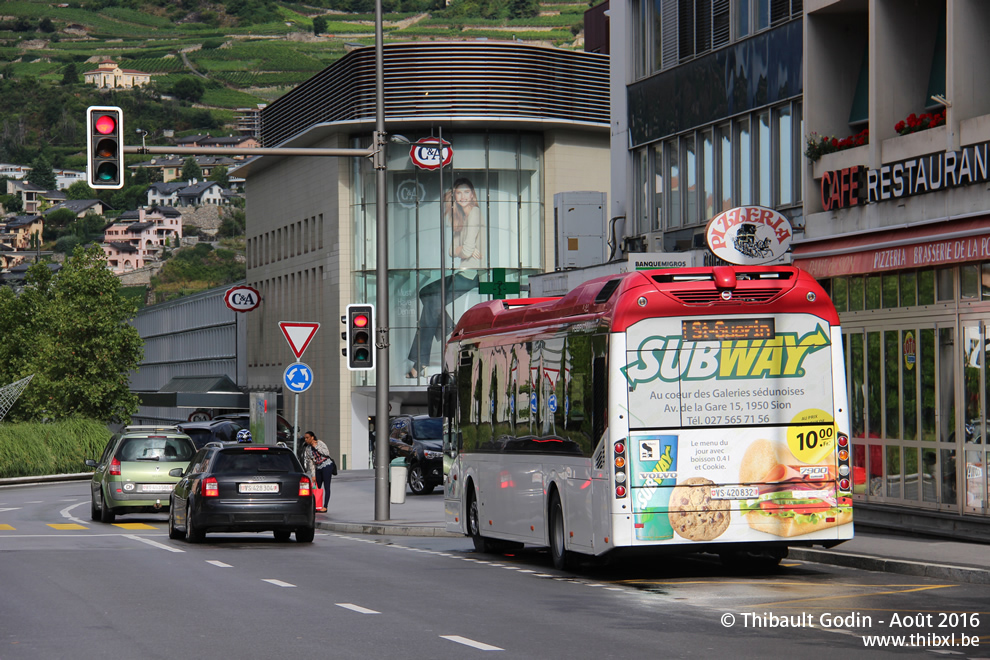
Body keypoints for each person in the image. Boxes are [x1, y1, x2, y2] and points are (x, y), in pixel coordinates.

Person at [406, 177, 484, 378]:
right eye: (458, 193)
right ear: (454, 197)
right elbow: (452, 250)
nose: (463, 196)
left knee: (431, 300)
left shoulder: (475, 213)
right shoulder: (462, 217)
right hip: (463, 272)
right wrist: (463, 249)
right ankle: (449, 328)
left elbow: (465, 250)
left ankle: (420, 363)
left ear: (472, 195)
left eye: (466, 192)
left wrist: (464, 249)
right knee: (427, 294)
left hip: (471, 275)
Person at [303, 431, 334, 512]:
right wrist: (313, 474)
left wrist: (316, 447)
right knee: (317, 486)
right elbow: (311, 462)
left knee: (327, 486)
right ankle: (317, 505)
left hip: (326, 465)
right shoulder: (308, 448)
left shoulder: (320, 443)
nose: (306, 440)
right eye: (305, 438)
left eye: (307, 438)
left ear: (312, 437)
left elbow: (326, 453)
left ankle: (325, 506)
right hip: (318, 467)